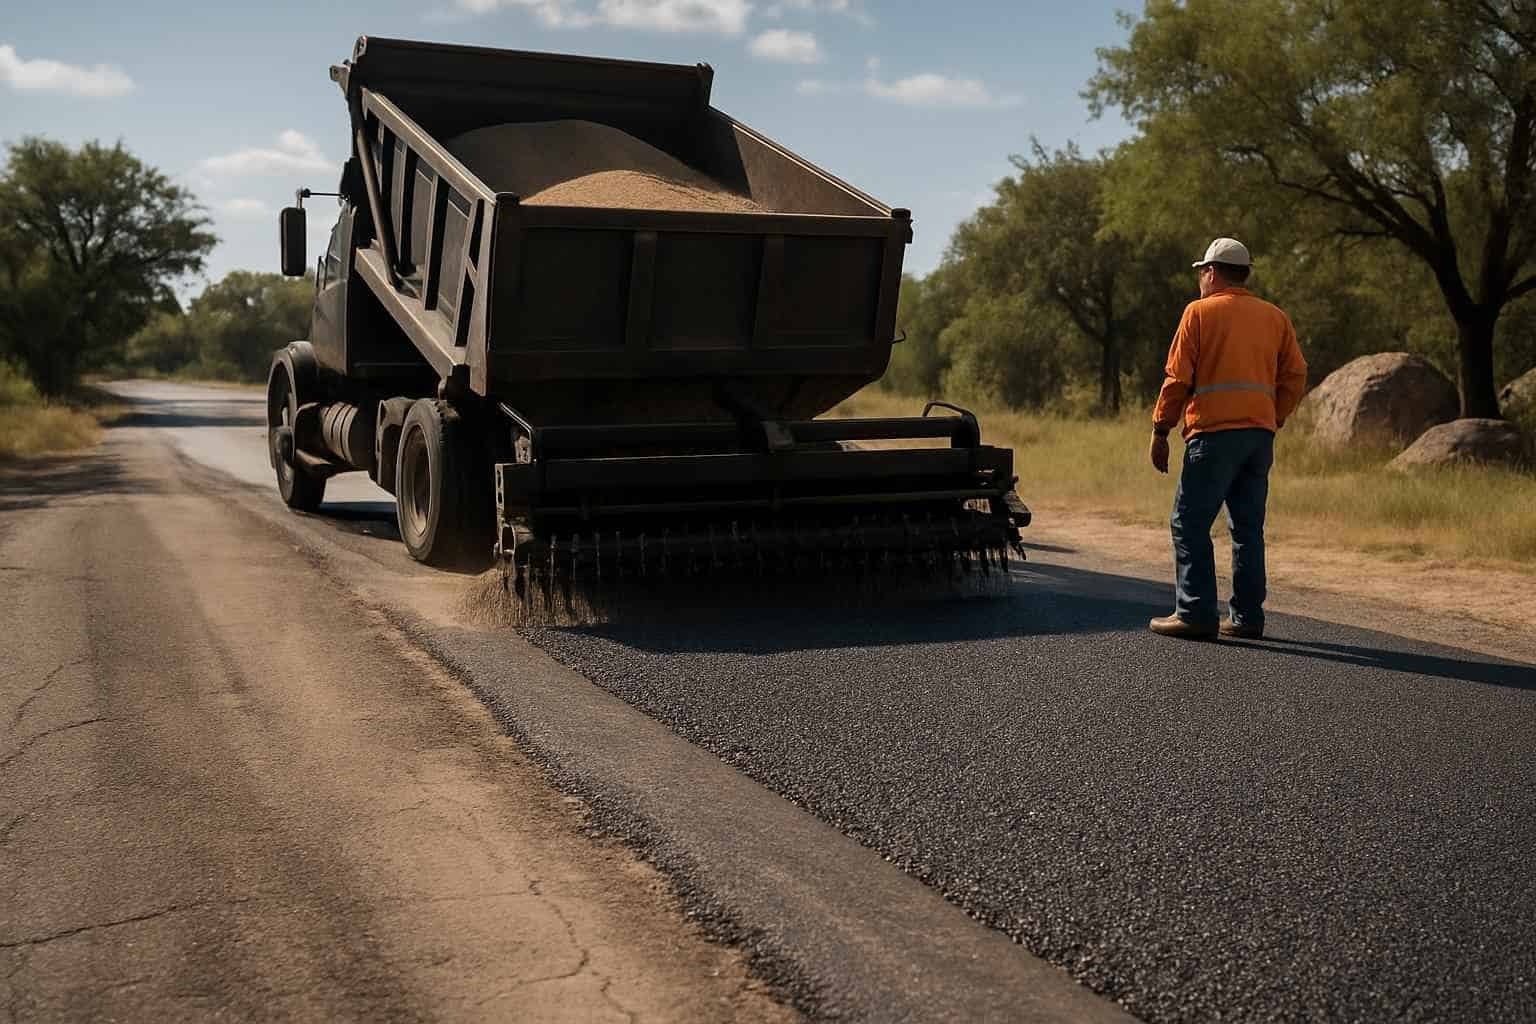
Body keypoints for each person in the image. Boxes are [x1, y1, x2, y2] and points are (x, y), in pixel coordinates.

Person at [1147, 237, 1308, 640]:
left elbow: (1177, 379)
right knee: (1247, 530)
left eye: (1202, 272)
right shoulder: (1275, 317)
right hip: (1259, 437)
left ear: (1211, 273)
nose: (1201, 279)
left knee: (1188, 522)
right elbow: (1295, 376)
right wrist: (1275, 415)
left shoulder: (1198, 313)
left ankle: (1196, 614)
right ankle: (1246, 618)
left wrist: (1160, 429)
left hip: (1213, 436)